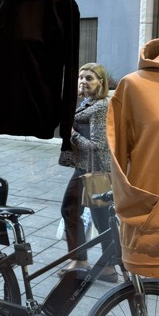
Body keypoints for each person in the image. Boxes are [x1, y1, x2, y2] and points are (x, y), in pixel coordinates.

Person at [58, 62, 117, 282]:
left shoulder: (100, 107)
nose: (83, 81)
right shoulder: (87, 102)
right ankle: (108, 267)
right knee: (100, 217)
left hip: (91, 169)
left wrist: (72, 133)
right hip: (89, 167)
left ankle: (80, 261)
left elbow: (97, 145)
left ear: (101, 82)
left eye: (89, 78)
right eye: (81, 77)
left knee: (70, 209)